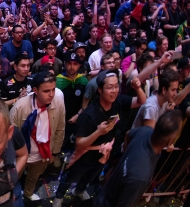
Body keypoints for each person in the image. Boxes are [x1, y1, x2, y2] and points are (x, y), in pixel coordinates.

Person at [52, 69, 146, 207]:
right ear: (100, 90)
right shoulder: (88, 114)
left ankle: (79, 190)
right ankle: (59, 196)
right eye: (109, 87)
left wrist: (137, 88)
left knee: (91, 176)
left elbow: (141, 101)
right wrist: (98, 132)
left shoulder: (118, 101)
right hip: (85, 154)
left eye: (116, 86)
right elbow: (79, 144)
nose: (114, 91)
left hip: (104, 152)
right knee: (71, 176)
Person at [93, 110, 183, 207]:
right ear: (170, 141)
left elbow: (128, 134)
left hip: (104, 193)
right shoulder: (141, 176)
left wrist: (126, 156)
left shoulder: (145, 131)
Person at [9, 71, 65, 201]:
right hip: (21, 154)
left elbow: (60, 129)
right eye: (46, 91)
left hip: (43, 154)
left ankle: (28, 193)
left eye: (53, 90)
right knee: (13, 177)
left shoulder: (58, 102)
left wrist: (55, 152)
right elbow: (11, 135)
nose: (51, 95)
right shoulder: (20, 107)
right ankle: (11, 195)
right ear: (35, 90)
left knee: (34, 176)